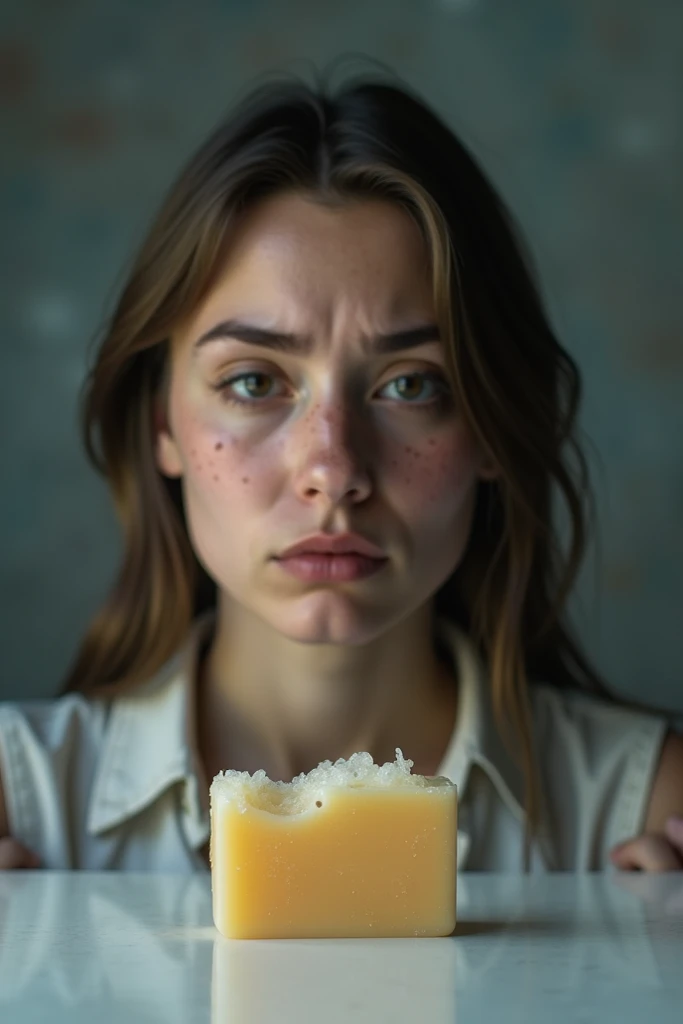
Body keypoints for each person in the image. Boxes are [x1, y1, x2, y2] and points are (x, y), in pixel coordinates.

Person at [1, 69, 681, 874]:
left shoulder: (646, 807)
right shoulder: (25, 806)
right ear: (164, 426)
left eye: (410, 385)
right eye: (253, 382)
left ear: (494, 427)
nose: (332, 470)